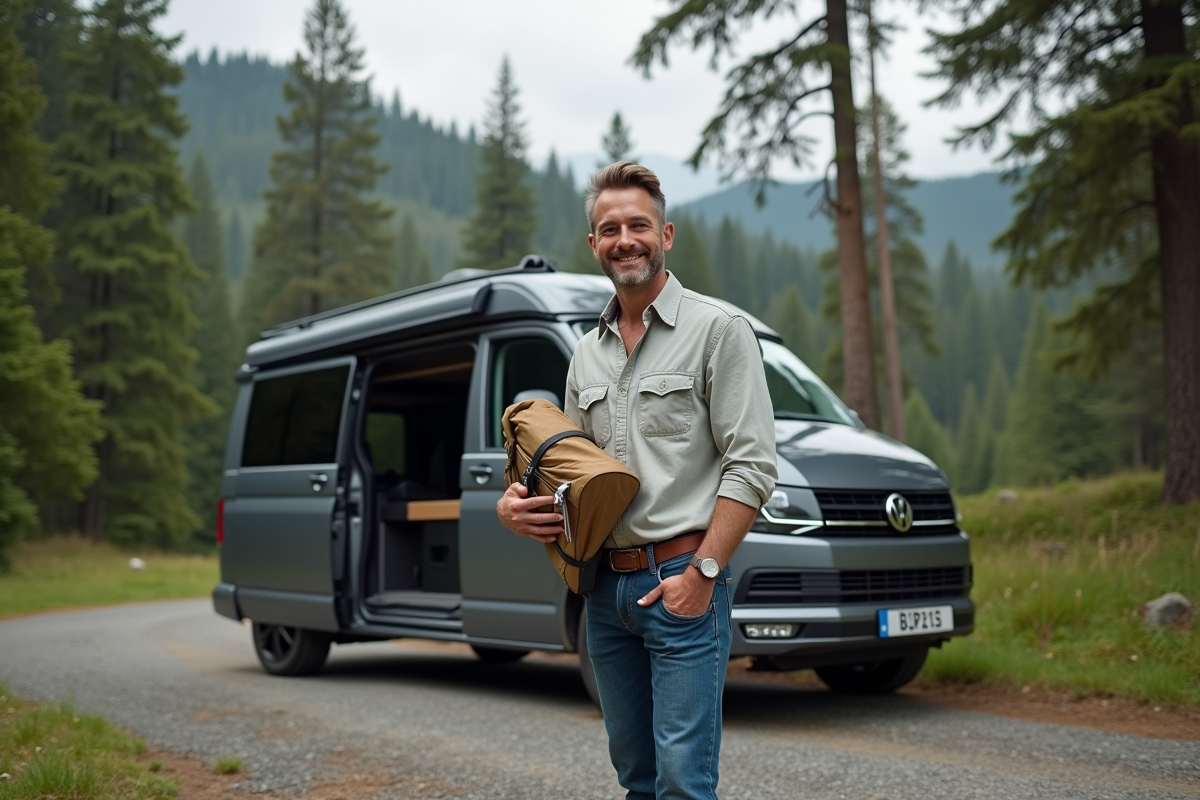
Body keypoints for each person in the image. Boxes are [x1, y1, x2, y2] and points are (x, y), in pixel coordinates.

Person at [496, 162, 777, 800]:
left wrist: (702, 576)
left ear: (666, 234)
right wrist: (516, 508)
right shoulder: (585, 352)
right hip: (603, 594)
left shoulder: (719, 331)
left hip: (680, 584)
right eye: (610, 228)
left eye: (639, 225)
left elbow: (752, 466)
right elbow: (569, 472)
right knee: (637, 778)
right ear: (593, 244)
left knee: (683, 781)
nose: (626, 239)